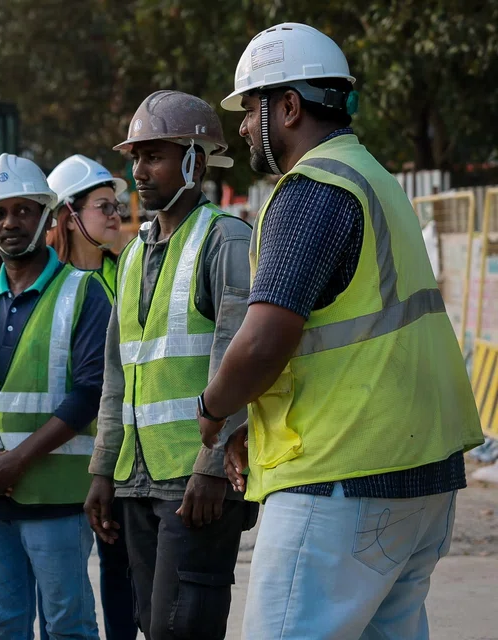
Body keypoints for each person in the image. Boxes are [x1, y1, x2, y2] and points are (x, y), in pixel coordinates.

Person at [199, 22, 485, 639]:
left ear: (289, 106)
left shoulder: (312, 190)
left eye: (251, 109)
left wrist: (214, 407)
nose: (245, 126)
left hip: (343, 481)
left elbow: (264, 340)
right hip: (419, 474)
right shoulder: (373, 179)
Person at [84, 90, 257, 640]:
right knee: (148, 623)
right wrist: (102, 470)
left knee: (181, 628)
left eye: (153, 155)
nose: (139, 171)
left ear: (195, 160)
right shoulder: (134, 253)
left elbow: (238, 357)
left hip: (195, 482)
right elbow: (119, 375)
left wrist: (210, 469)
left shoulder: (223, 239)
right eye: (135, 157)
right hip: (138, 479)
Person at [0, 153, 111, 640]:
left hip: (56, 497)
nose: (9, 222)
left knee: (68, 627)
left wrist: (18, 460)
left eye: (22, 210)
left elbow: (88, 394)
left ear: (47, 215)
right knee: (3, 626)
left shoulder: (84, 293)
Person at [45, 154, 137, 640]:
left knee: (120, 571)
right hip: (58, 460)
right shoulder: (46, 288)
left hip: (119, 457)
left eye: (117, 205)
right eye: (104, 206)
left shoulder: (130, 273)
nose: (116, 215)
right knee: (62, 590)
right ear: (69, 216)